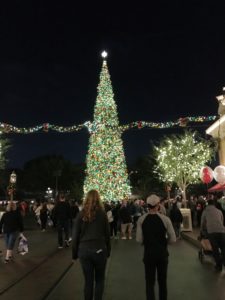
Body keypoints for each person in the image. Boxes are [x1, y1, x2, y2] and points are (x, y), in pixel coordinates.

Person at [72, 190, 110, 300]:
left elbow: (75, 236)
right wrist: (108, 250)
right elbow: (107, 234)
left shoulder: (81, 214)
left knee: (88, 281)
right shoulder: (102, 214)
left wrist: (74, 255)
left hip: (84, 250)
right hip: (99, 249)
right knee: (99, 280)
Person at [136, 194, 176, 300]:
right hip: (162, 254)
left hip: (148, 254)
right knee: (162, 282)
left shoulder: (141, 220)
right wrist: (164, 242)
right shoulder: (165, 219)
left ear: (147, 205)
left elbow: (139, 240)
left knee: (149, 282)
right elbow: (173, 239)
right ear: (158, 205)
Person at [201, 199, 225, 272]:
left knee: (215, 249)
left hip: (211, 232)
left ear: (208, 204)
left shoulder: (205, 212)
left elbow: (202, 223)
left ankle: (219, 266)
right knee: (223, 248)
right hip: (222, 231)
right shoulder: (219, 211)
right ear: (214, 204)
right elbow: (222, 221)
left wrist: (202, 231)